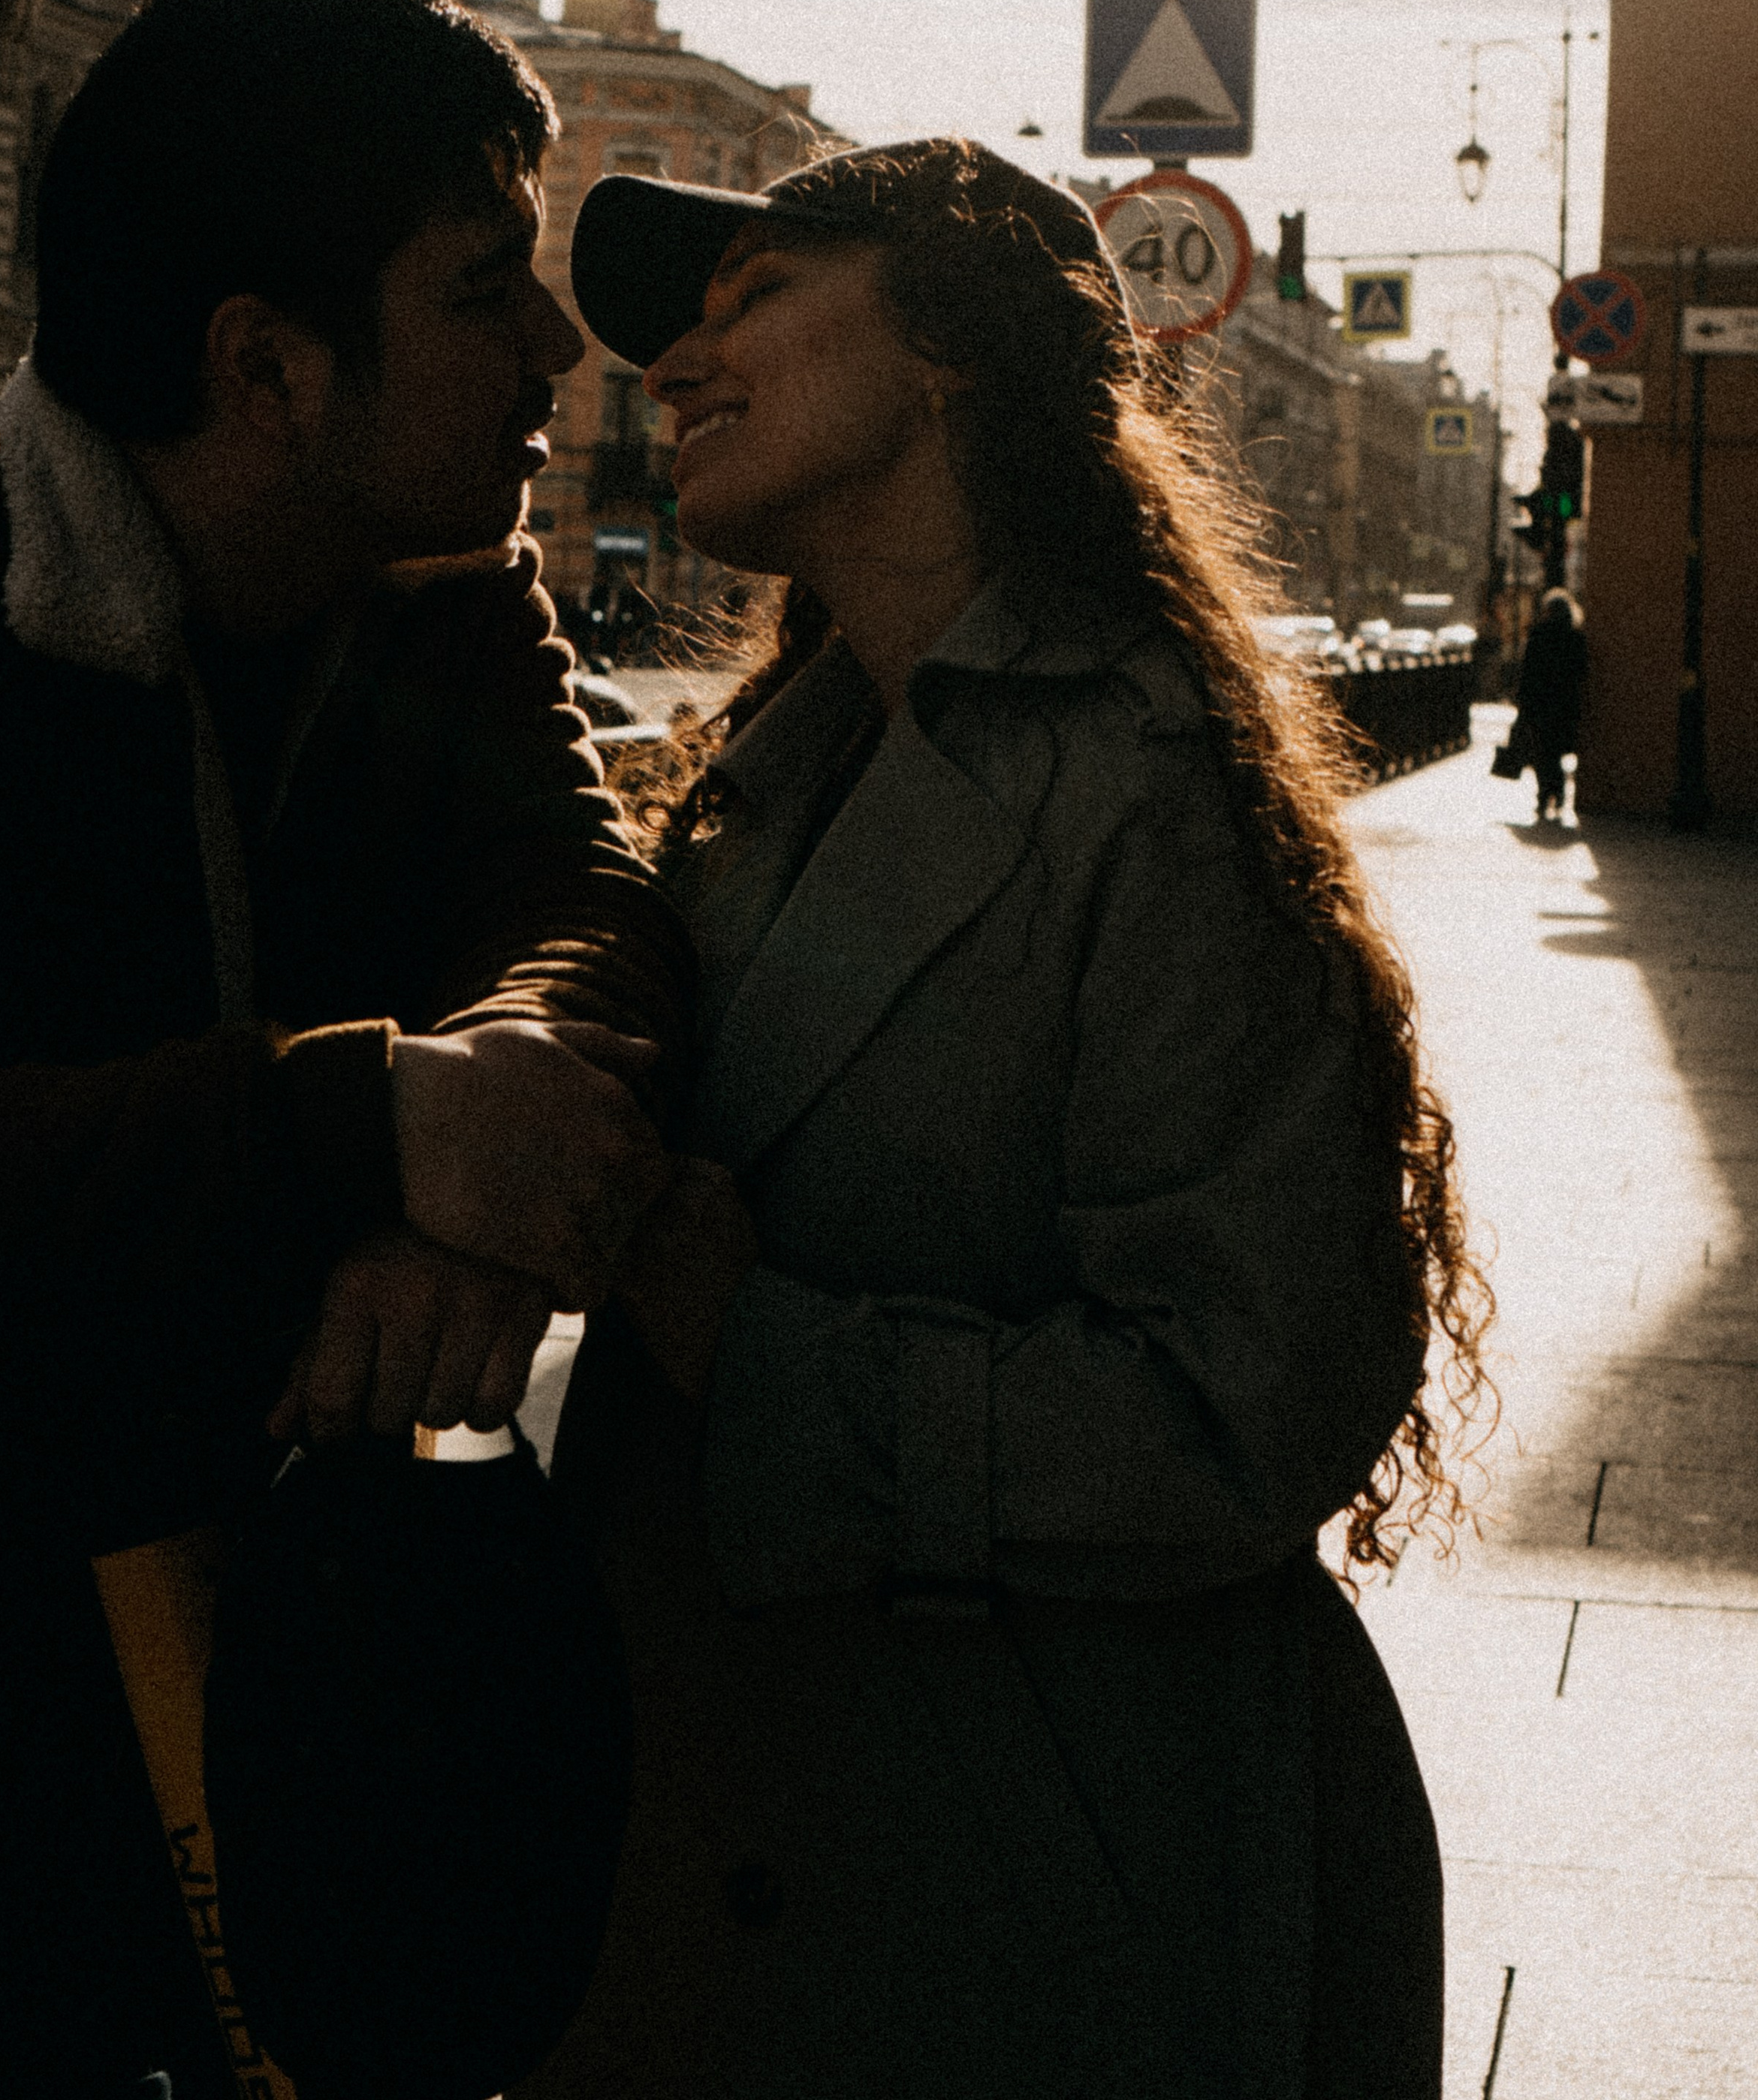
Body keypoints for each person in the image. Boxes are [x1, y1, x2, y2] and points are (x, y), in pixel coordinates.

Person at [526, 139, 1491, 2100]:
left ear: (954, 350)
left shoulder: (1150, 797)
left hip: (1039, 1883)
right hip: (765, 1838)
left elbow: (1251, 1400)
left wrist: (766, 1356)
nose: (677, 367)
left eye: (755, 299)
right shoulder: (775, 770)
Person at [0, 0, 693, 2099]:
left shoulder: (438, 596)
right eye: (489, 290)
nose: (560, 353)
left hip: (275, 1701)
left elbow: (579, 909)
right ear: (268, 368)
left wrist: (462, 1165)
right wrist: (352, 1127)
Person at [1515, 586, 1589, 821]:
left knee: (1542, 751)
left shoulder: (1539, 634)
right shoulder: (1575, 636)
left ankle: (1545, 794)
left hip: (1540, 701)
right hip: (1565, 702)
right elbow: (1582, 671)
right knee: (1556, 750)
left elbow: (1528, 670)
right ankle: (1558, 793)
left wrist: (1522, 699)